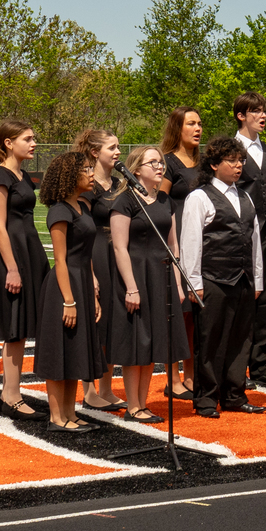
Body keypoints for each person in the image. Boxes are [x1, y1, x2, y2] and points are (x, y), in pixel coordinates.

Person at [180, 136, 266, 418]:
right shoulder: (199, 196)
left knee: (241, 340)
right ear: (215, 164)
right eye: (232, 160)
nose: (239, 165)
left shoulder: (246, 196)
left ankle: (234, 395)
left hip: (243, 280)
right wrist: (194, 283)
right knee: (210, 340)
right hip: (213, 279)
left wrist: (257, 279)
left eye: (241, 160)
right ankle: (206, 399)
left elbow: (253, 241)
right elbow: (191, 242)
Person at [108, 146, 188, 423]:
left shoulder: (166, 200)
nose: (159, 166)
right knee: (137, 343)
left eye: (161, 162)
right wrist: (131, 287)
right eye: (152, 162)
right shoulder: (125, 201)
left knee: (154, 342)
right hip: (137, 276)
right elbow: (120, 248)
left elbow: (174, 245)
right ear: (135, 169)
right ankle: (133, 406)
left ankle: (142, 403)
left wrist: (177, 284)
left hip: (163, 276)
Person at [0, 120, 49, 421]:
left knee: (20, 330)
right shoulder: (0, 176)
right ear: (9, 143)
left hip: (29, 254)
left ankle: (12, 393)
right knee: (13, 329)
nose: (34, 143)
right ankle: (10, 396)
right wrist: (12, 268)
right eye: (27, 139)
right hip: (12, 260)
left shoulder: (23, 175)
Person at [34, 152, 105, 433]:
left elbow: (86, 255)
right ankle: (55, 417)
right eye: (86, 168)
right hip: (64, 288)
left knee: (75, 350)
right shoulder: (60, 210)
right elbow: (60, 259)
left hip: (82, 284)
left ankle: (69, 413)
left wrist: (93, 291)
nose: (91, 172)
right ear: (69, 176)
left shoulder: (83, 208)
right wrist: (69, 301)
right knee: (58, 351)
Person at [233, 92, 266, 388]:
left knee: (265, 300)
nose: (262, 116)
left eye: (264, 111)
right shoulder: (232, 149)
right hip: (239, 237)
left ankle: (261, 363)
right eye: (256, 111)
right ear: (241, 115)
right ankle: (237, 367)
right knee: (243, 302)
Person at [72, 129, 125, 411]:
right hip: (94, 253)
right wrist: (90, 272)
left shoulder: (119, 182)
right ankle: (89, 389)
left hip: (117, 254)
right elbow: (82, 230)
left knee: (114, 320)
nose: (118, 152)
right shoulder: (87, 184)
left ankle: (106, 388)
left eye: (118, 147)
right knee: (95, 320)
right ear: (95, 152)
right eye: (112, 148)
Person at [159, 106, 203, 399]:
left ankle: (191, 375)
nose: (198, 128)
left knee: (194, 314)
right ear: (178, 128)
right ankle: (172, 379)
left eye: (200, 123)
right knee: (177, 313)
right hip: (175, 245)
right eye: (191, 123)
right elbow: (160, 203)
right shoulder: (169, 163)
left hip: (201, 243)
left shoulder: (204, 162)